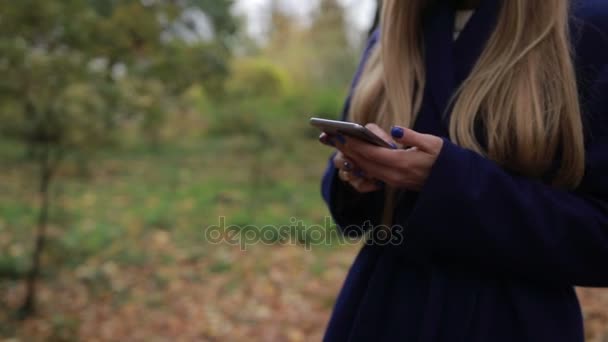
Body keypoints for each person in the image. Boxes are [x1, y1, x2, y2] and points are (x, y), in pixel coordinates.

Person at [318, 0, 608, 341]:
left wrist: (450, 181)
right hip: (380, 311)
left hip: (511, 320)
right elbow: (356, 215)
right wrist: (358, 173)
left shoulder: (589, 25)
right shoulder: (394, 34)